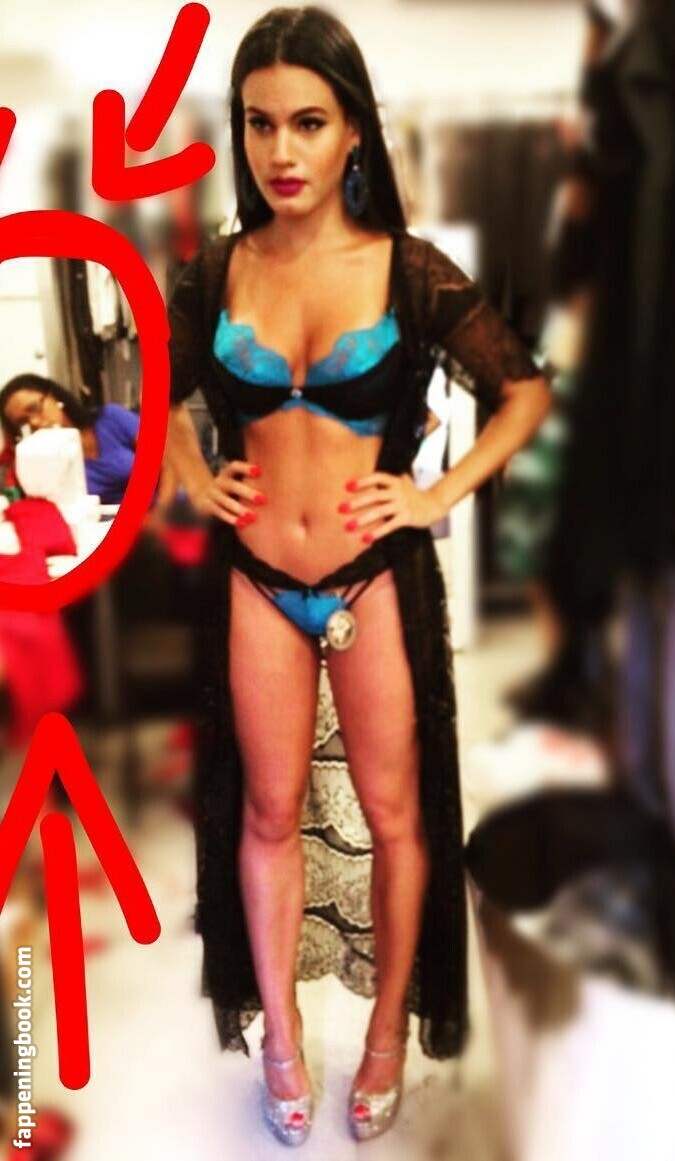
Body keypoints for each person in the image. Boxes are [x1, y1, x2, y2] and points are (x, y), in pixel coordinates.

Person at [165, 5, 552, 1146]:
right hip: (256, 576)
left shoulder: (410, 271)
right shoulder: (211, 273)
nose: (280, 151)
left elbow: (524, 391)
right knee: (267, 814)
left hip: (373, 573)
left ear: (353, 134)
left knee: (396, 817)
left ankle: (385, 1035)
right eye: (259, 124)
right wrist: (193, 476)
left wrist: (436, 494)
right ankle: (282, 1040)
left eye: (308, 123)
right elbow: (163, 397)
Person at [0, 373, 139, 505]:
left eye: (35, 408)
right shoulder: (45, 463)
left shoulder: (111, 418)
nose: (34, 422)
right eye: (22, 422)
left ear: (53, 396)